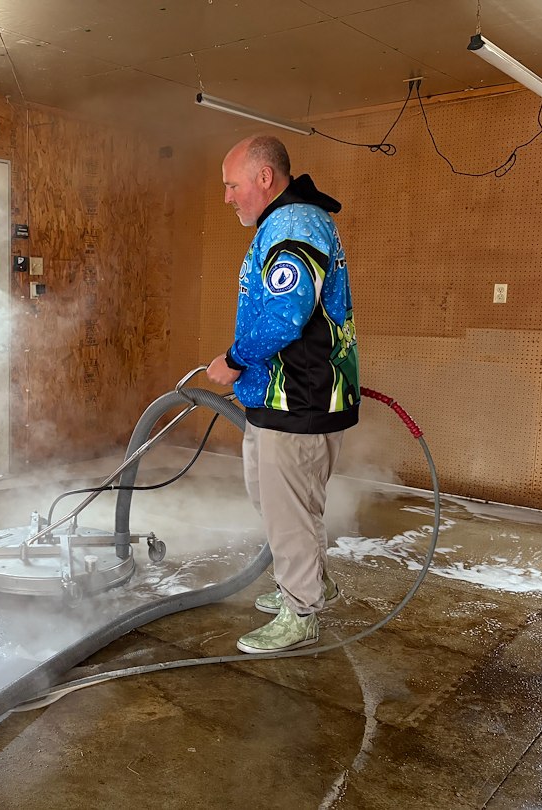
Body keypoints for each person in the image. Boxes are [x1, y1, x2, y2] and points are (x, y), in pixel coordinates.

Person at [206, 134, 359, 654]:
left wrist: (233, 360)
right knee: (284, 504)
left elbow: (283, 314)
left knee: (288, 510)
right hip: (283, 396)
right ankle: (312, 584)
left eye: (232, 185)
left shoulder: (294, 225)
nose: (227, 196)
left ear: (264, 178)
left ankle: (301, 612)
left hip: (296, 395)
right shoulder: (290, 221)